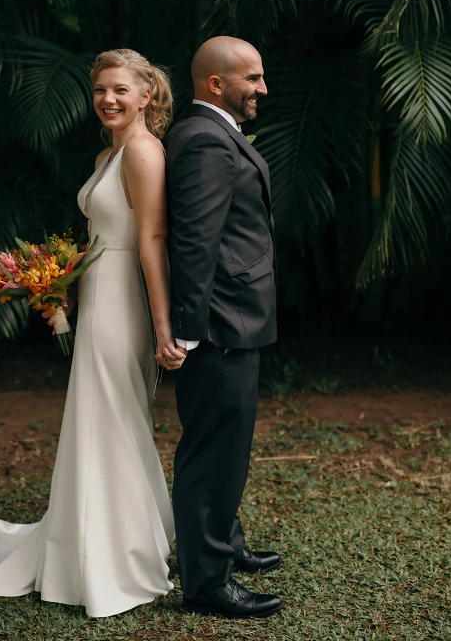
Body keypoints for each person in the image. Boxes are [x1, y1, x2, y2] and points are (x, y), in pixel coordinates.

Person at [0, 48, 185, 618]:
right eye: (100, 89)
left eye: (120, 89)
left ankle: (119, 556)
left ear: (146, 95)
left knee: (114, 417)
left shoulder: (145, 152)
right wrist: (59, 282)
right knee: (100, 417)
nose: (107, 99)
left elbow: (151, 241)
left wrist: (162, 325)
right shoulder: (110, 152)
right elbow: (103, 232)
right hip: (97, 294)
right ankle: (98, 543)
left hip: (124, 303)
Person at [163, 36, 283, 619]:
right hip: (219, 325)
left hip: (234, 318)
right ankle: (207, 583)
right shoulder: (206, 141)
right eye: (253, 78)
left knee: (228, 448)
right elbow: (193, 242)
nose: (263, 88)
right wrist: (188, 329)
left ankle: (225, 545)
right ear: (217, 84)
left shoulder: (208, 132)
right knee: (212, 452)